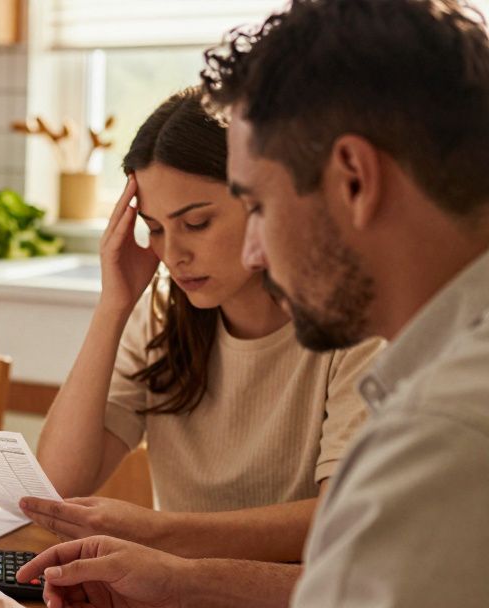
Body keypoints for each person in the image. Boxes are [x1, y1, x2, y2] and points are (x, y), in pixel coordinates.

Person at [0, 1, 489, 608]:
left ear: (353, 177)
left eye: (255, 203)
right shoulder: (447, 367)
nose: (255, 250)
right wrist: (187, 586)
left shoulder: (445, 431)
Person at [27, 88, 381, 562]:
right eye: (154, 228)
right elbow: (56, 485)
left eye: (195, 223)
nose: (173, 255)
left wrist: (158, 532)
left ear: (261, 204)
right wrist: (114, 305)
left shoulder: (354, 326)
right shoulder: (158, 316)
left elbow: (339, 520)